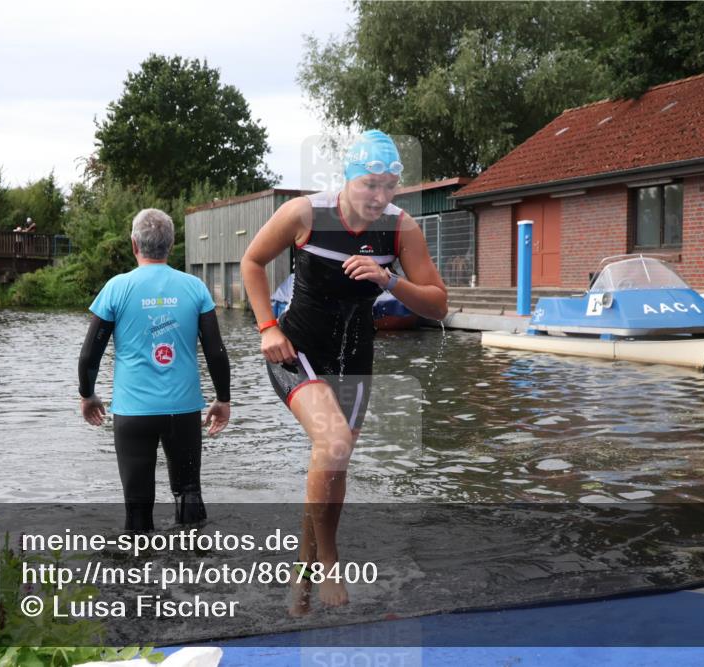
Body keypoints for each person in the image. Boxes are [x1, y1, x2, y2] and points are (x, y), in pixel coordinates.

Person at [242, 130, 448, 615]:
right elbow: (252, 261)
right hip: (296, 352)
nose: (379, 197)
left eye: (389, 186)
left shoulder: (401, 229)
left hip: (354, 358)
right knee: (332, 443)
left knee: (332, 463)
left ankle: (302, 574)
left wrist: (389, 279)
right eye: (369, 184)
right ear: (348, 179)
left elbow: (438, 304)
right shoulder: (306, 213)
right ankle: (329, 561)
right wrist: (267, 328)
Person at [78, 208, 232, 532]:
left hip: (133, 413)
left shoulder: (116, 288)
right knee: (189, 493)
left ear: (134, 244)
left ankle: (141, 564)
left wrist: (87, 394)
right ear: (171, 245)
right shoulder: (194, 288)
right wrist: (223, 399)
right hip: (183, 411)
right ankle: (196, 561)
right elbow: (216, 352)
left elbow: (90, 354)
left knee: (137, 505)